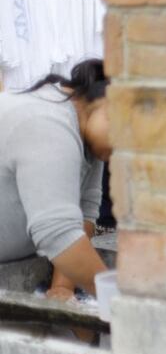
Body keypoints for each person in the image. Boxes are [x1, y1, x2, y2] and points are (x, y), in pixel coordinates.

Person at [0, 60, 112, 299]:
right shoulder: (47, 124)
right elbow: (57, 233)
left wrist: (63, 287)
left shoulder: (84, 133)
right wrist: (122, 305)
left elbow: (84, 213)